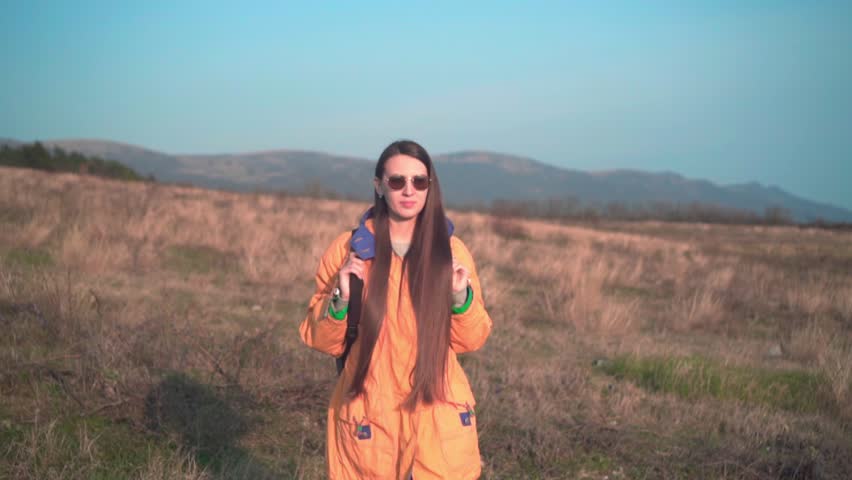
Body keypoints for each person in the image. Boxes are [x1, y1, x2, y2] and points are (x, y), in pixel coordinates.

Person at [299, 139, 493, 479]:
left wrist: (461, 298)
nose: (409, 190)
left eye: (419, 181)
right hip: (370, 423)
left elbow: (471, 341)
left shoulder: (452, 251)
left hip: (439, 424)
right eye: (397, 181)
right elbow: (320, 340)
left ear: (429, 188)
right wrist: (341, 299)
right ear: (379, 186)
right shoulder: (348, 250)